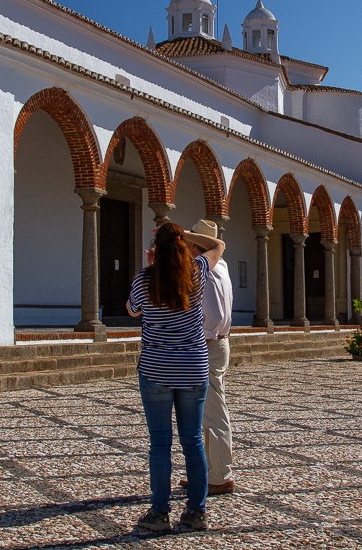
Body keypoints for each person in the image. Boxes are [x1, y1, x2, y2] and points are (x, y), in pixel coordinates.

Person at [126, 221, 225, 532]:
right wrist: (184, 234)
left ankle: (159, 513)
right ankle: (197, 512)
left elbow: (132, 311)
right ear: (182, 246)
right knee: (193, 441)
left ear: (156, 251)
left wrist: (152, 266)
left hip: (156, 369)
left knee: (159, 444)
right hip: (193, 367)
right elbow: (218, 246)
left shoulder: (144, 280)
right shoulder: (196, 271)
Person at [180, 219, 235, 495]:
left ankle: (220, 475)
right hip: (219, 343)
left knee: (213, 413)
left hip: (209, 345)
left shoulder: (205, 268)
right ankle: (207, 471)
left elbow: (209, 315)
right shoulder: (221, 266)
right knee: (208, 412)